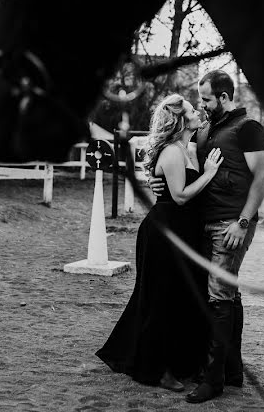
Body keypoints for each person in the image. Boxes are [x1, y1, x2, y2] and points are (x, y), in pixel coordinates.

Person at [152, 70, 264, 404]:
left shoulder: (248, 129)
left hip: (230, 224)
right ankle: (232, 370)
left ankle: (212, 379)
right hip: (202, 223)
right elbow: (177, 158)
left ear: (223, 97)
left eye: (205, 99)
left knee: (218, 296)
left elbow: (262, 178)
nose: (201, 105)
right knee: (227, 295)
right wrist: (158, 181)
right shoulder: (208, 128)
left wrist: (243, 222)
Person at [96, 94, 224, 392]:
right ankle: (157, 370)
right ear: (180, 120)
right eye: (192, 110)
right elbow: (179, 195)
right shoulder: (172, 152)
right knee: (162, 300)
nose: (197, 111)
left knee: (178, 299)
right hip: (165, 233)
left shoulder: (186, 148)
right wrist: (208, 174)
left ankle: (176, 361)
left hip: (183, 232)